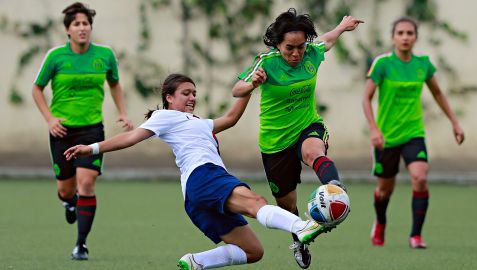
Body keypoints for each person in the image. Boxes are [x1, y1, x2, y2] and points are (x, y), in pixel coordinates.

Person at [63, 73, 330, 270]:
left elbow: (231, 118)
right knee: (256, 203)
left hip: (196, 198)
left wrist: (250, 86)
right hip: (204, 176)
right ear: (169, 97)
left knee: (253, 251)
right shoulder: (164, 116)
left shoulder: (199, 123)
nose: (192, 97)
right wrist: (93, 148)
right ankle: (302, 227)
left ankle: (196, 262)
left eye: (194, 93)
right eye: (186, 93)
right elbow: (131, 138)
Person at [232, 8, 362, 269]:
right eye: (289, 48)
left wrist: (341, 26)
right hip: (275, 142)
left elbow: (328, 40)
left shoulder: (312, 54)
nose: (295, 54)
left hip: (307, 126)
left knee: (313, 152)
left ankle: (336, 190)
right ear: (277, 44)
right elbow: (237, 89)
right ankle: (300, 239)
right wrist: (252, 83)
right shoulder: (266, 62)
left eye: (300, 47)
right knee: (287, 206)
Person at [32, 2, 133, 260]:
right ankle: (68, 202)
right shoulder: (56, 56)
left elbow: (115, 83)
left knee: (86, 183)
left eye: (85, 23)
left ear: (90, 27)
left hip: (91, 130)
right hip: (61, 132)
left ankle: (81, 244)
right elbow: (36, 89)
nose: (82, 28)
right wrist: (50, 119)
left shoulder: (105, 55)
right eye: (76, 24)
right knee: (66, 190)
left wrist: (122, 112)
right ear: (68, 29)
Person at [362, 17, 465, 249]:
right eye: (400, 33)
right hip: (386, 137)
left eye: (410, 33)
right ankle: (380, 222)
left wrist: (455, 123)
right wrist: (374, 129)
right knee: (384, 190)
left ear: (416, 37)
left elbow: (438, 93)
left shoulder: (423, 64)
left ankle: (416, 236)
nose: (405, 37)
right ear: (393, 37)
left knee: (420, 177)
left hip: (413, 133)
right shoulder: (383, 64)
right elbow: (366, 98)